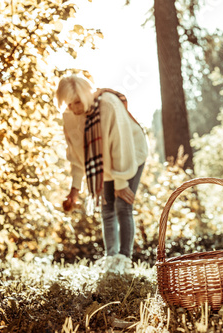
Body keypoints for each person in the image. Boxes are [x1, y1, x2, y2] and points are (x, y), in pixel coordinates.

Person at [55, 74, 149, 274]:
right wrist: (74, 188)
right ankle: (111, 258)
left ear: (86, 95)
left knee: (123, 205)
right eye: (68, 104)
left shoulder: (108, 105)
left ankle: (124, 259)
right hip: (102, 166)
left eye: (77, 102)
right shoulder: (69, 116)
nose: (73, 108)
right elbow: (76, 155)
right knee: (106, 209)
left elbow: (121, 145)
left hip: (131, 154)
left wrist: (121, 182)